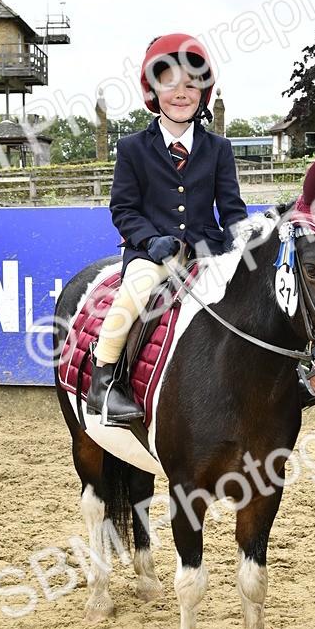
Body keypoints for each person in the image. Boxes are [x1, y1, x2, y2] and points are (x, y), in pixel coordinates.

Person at [87, 33, 248, 425]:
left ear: (203, 93)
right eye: (171, 83)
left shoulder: (219, 149)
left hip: (207, 250)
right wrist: (147, 239)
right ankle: (105, 379)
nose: (182, 92)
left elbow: (231, 207)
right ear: (153, 89)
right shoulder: (131, 149)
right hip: (153, 252)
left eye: (191, 85)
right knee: (137, 288)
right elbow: (123, 208)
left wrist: (241, 238)